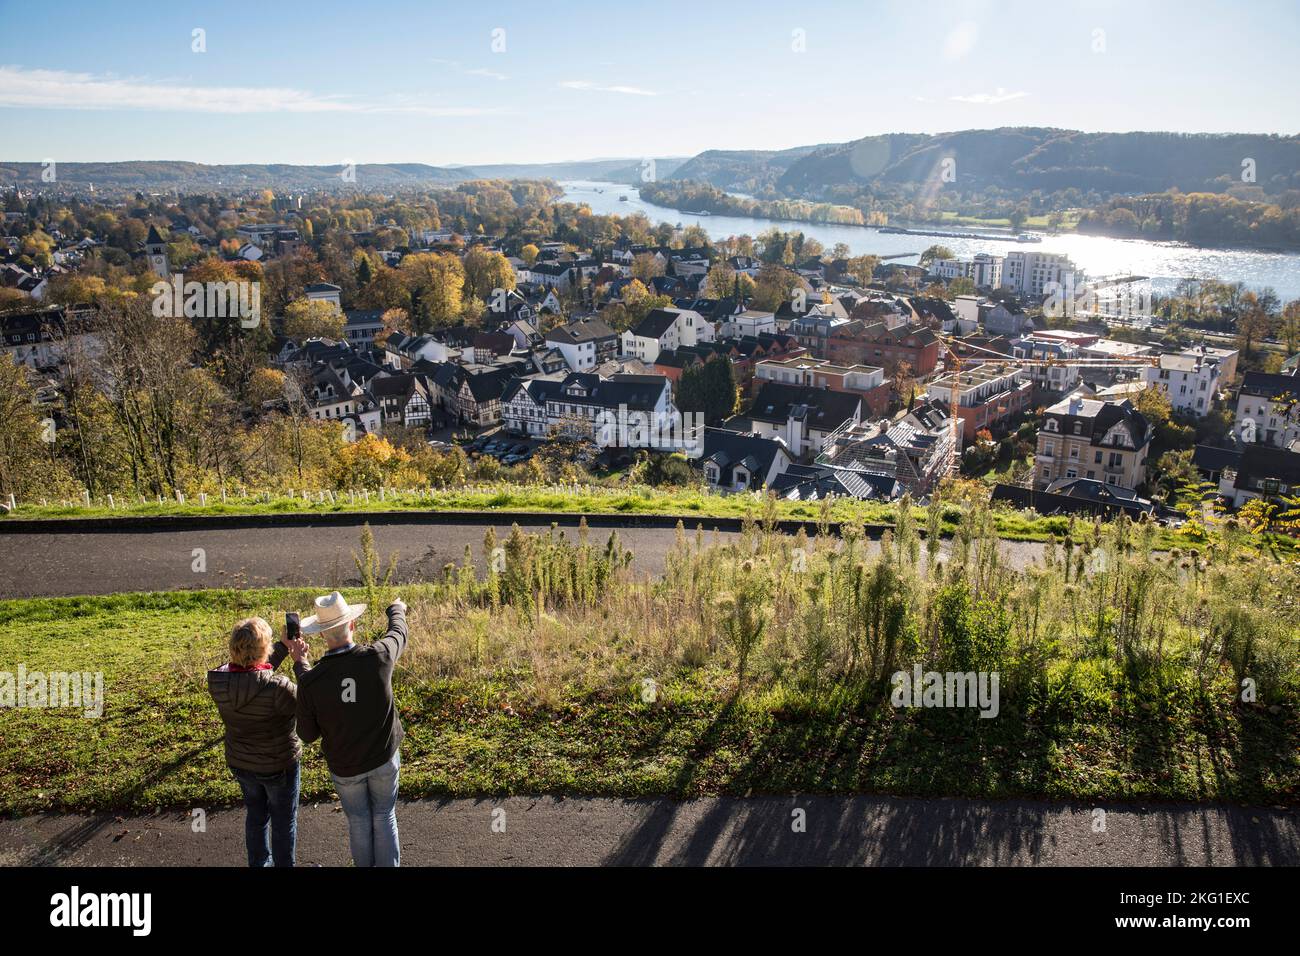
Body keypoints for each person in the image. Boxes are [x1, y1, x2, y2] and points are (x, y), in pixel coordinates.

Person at [295, 591, 407, 867]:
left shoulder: (312, 681)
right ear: (353, 625)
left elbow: (307, 734)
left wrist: (300, 663)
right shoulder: (378, 657)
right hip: (382, 757)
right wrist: (396, 608)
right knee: (384, 815)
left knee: (358, 821)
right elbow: (398, 633)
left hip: (345, 766)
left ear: (322, 635)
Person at [207, 616, 310, 867]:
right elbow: (309, 703)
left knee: (256, 816)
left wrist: (283, 647)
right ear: (265, 650)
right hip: (278, 766)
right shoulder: (279, 688)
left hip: (241, 763)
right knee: (284, 822)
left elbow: (250, 677)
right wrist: (301, 662)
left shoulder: (218, 681)